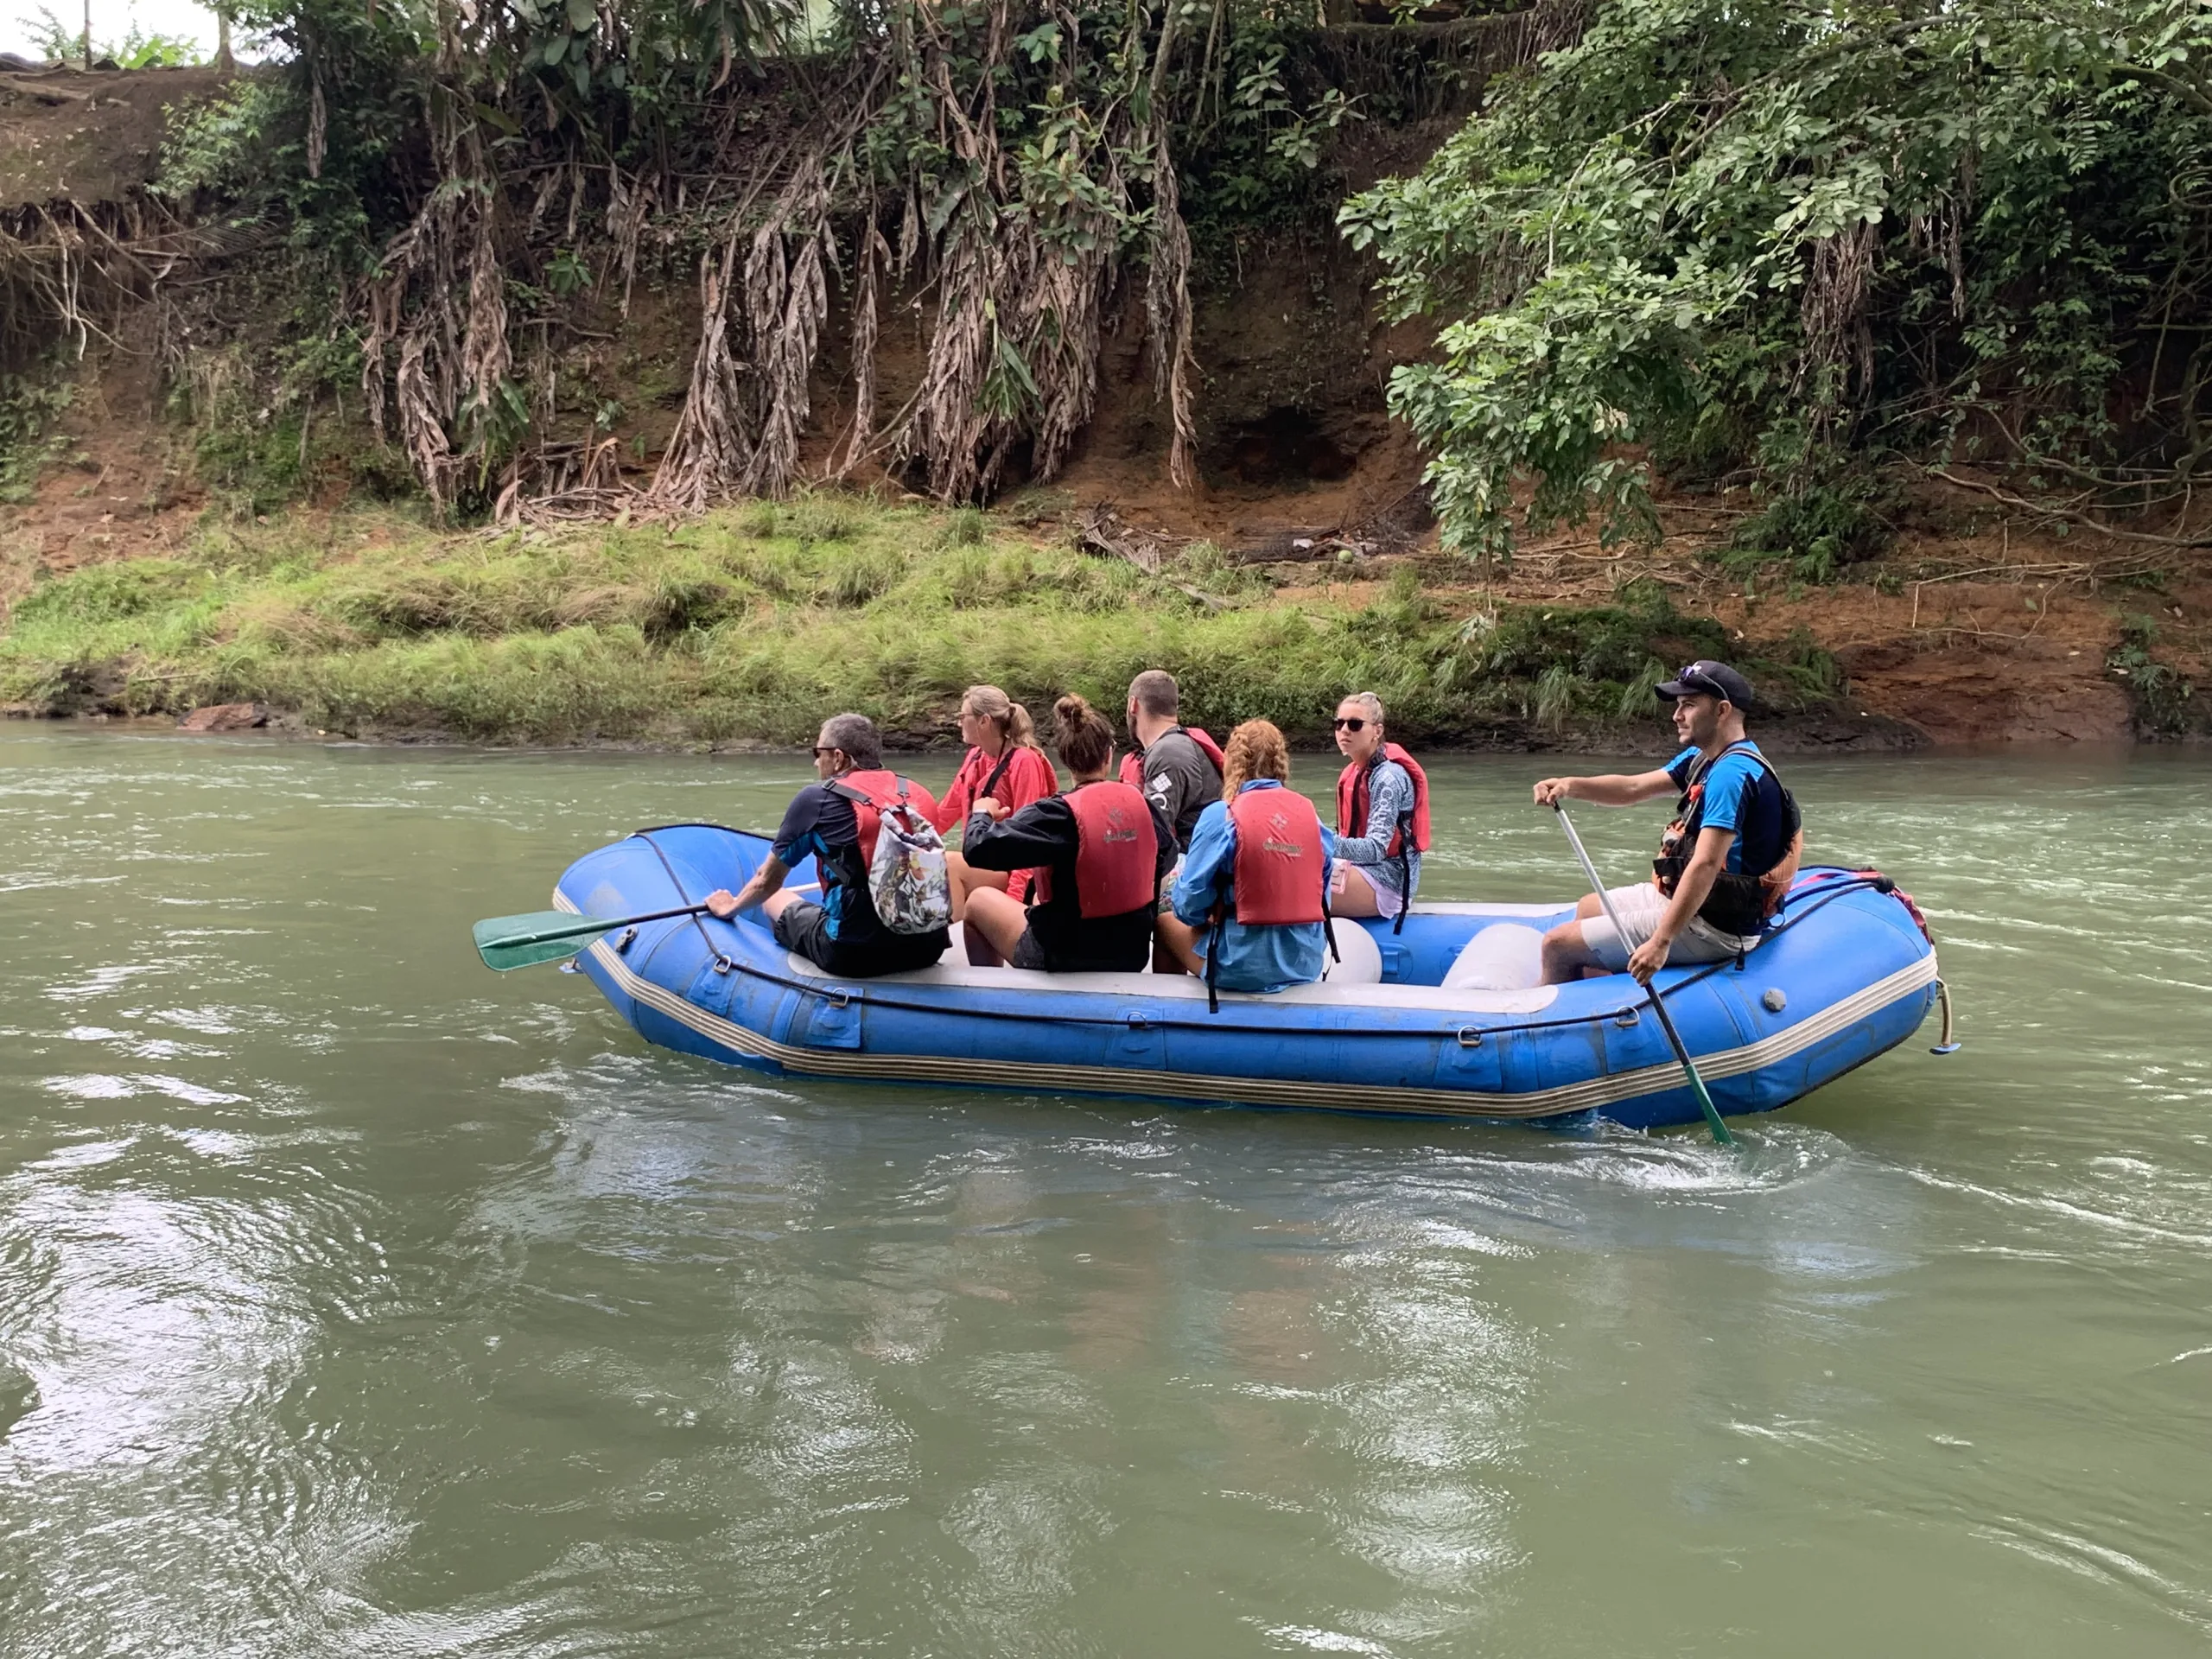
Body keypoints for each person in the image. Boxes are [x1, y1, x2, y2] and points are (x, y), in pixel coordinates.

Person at [1531, 659, 1803, 986]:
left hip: (1715, 927)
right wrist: (1570, 785)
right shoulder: (1704, 758)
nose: (1677, 716)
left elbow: (1705, 864)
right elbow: (1633, 788)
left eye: (1688, 705)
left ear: (1722, 711)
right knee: (1589, 907)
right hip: (1696, 905)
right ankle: (1602, 998)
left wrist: (1661, 941)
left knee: (1557, 945)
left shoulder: (1731, 775)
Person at [702, 712, 951, 976]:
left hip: (853, 952)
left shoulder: (817, 800)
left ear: (838, 758)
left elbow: (767, 882)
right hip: (927, 948)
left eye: (817, 752)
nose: (815, 762)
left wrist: (729, 907)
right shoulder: (918, 794)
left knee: (775, 899)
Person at [958, 695, 1177, 972]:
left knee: (979, 901)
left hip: (1063, 954)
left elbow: (977, 849)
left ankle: (991, 997)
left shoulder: (1054, 815)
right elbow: (1165, 861)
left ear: (1064, 758)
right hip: (1131, 952)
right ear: (1108, 756)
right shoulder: (1142, 805)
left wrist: (981, 813)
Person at [1157, 719, 1338, 998]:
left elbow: (1189, 908)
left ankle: (1168, 1016)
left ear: (1229, 760)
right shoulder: (1310, 817)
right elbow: (1323, 899)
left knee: (1165, 920)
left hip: (1237, 965)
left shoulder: (1220, 816)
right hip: (1305, 962)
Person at [931, 684, 1058, 919]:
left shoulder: (1024, 761)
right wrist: (907, 842)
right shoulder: (975, 757)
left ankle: (955, 942)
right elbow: (945, 814)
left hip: (1017, 874)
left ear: (984, 721)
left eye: (963, 716)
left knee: (949, 863)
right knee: (931, 861)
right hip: (986, 864)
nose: (958, 723)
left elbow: (1030, 836)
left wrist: (1013, 899)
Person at [1328, 691, 1429, 931]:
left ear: (1377, 731)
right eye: (1339, 723)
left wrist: (1318, 840)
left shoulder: (1389, 778)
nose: (1344, 730)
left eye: (1354, 724)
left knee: (1294, 887)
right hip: (1357, 869)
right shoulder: (1355, 772)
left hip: (1388, 880)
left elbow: (1375, 849)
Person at [1120, 669, 1224, 852]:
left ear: (1133, 705)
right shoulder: (1177, 746)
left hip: (1190, 868)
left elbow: (1153, 832)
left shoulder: (1168, 754)